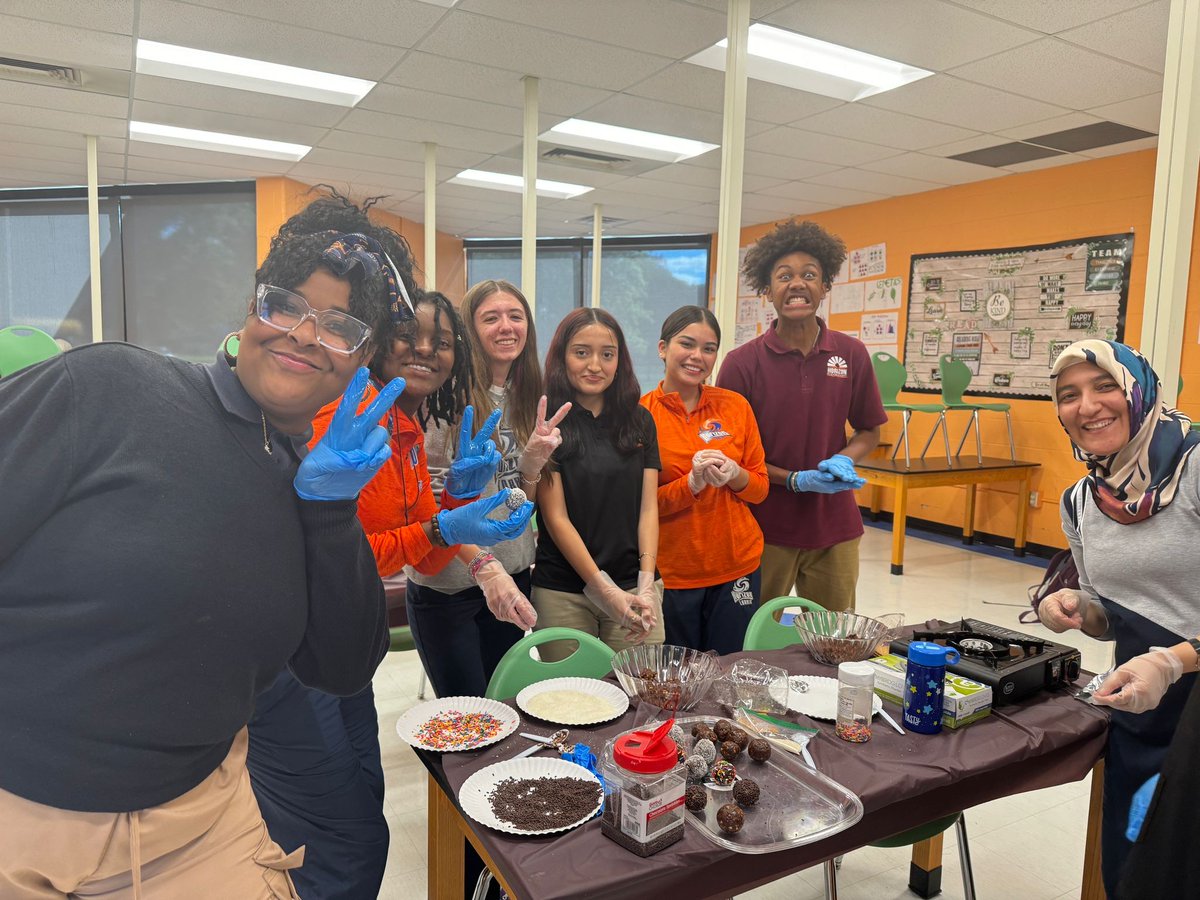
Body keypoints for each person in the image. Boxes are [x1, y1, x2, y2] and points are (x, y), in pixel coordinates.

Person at [0, 194, 407, 897]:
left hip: (202, 819)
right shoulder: (111, 388)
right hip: (25, 815)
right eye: (286, 305)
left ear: (362, 358)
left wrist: (330, 509)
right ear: (253, 307)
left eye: (339, 326)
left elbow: (342, 664)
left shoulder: (310, 484)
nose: (306, 336)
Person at [246, 277, 533, 899]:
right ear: (374, 337)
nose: (427, 349)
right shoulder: (342, 417)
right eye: (409, 334)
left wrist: (456, 500)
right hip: (294, 656)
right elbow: (336, 550)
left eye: (442, 340)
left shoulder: (398, 423)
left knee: (362, 807)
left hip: (347, 646)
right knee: (340, 841)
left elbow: (421, 554)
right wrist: (443, 522)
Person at [1036, 339, 1200, 895]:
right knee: (1138, 868)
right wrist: (1083, 609)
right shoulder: (1082, 501)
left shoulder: (1197, 468)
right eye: (1068, 395)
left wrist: (1174, 663)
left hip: (1187, 696)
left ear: (1139, 390)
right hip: (1143, 711)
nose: (1087, 406)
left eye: (1104, 385)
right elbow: (1112, 613)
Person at [406, 280, 567, 697]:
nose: (506, 327)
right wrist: (485, 568)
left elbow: (517, 503)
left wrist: (530, 467)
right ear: (468, 330)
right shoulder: (443, 400)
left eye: (515, 316)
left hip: (513, 575)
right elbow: (429, 509)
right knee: (466, 723)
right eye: (490, 318)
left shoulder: (528, 396)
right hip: (452, 585)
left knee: (508, 708)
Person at [717, 219, 886, 611]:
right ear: (767, 290)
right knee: (752, 639)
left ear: (825, 285)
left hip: (836, 529)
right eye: (784, 276)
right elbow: (731, 456)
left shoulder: (851, 354)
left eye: (809, 275)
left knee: (834, 639)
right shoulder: (741, 364)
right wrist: (793, 480)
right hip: (763, 527)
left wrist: (845, 457)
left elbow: (868, 430)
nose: (797, 284)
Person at [532, 307, 663, 661]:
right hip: (563, 591)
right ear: (562, 357)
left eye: (607, 354)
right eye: (581, 353)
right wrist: (602, 589)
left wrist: (647, 583)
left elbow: (648, 508)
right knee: (570, 705)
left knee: (644, 700)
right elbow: (556, 518)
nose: (595, 365)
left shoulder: (639, 420)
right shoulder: (547, 421)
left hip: (635, 587)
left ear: (620, 360)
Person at [640, 306, 769, 653]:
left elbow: (760, 489)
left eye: (709, 348)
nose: (698, 356)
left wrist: (735, 474)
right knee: (678, 680)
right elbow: (640, 506)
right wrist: (691, 485)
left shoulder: (735, 406)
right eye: (687, 344)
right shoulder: (641, 414)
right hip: (672, 571)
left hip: (736, 565)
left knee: (731, 671)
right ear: (663, 348)